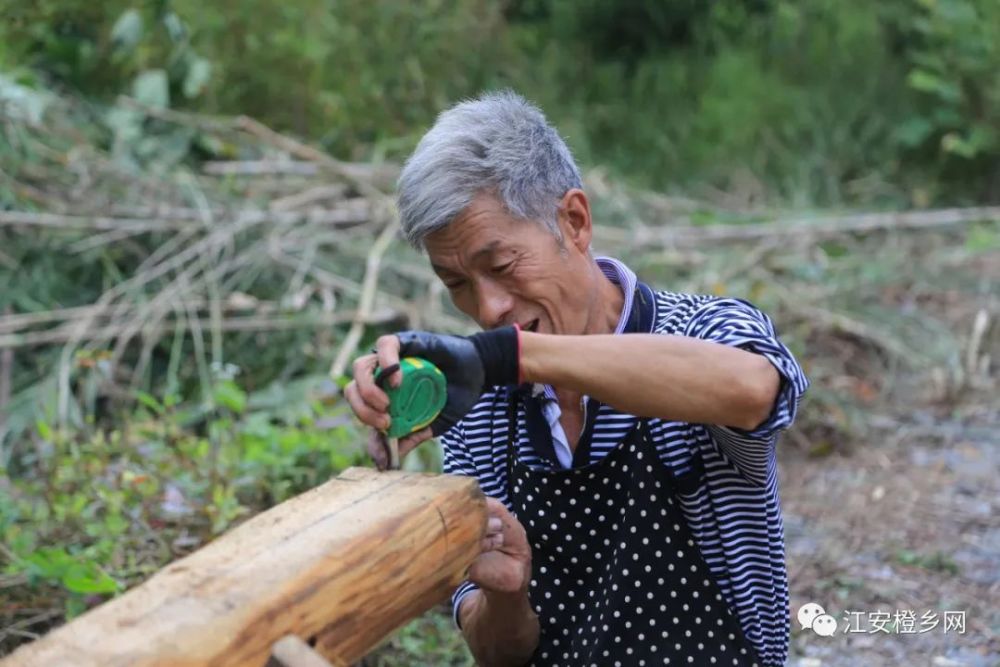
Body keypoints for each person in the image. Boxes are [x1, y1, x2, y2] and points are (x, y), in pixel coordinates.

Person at [344, 91, 808, 667]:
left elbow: (752, 391)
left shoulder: (707, 327)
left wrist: (511, 357)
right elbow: (496, 652)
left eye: (502, 266)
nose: (487, 309)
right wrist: (506, 592)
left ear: (575, 221)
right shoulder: (480, 410)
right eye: (457, 284)